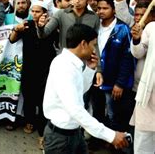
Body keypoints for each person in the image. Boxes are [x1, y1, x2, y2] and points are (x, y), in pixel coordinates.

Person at [43, 24, 129, 153]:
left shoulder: (71, 63)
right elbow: (75, 108)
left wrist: (90, 69)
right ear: (83, 44)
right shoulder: (64, 67)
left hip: (75, 133)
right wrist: (111, 135)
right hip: (60, 139)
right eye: (93, 45)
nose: (94, 49)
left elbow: (78, 90)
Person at [9, 1, 57, 150]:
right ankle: (30, 120)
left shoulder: (52, 26)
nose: (34, 14)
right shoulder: (27, 24)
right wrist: (17, 29)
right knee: (29, 95)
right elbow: (12, 39)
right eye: (33, 11)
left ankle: (43, 131)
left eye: (38, 11)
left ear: (45, 13)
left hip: (46, 67)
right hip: (29, 66)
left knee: (43, 97)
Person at [95, 0, 135, 134]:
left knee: (114, 115)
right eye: (99, 8)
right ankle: (98, 139)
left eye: (105, 8)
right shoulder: (94, 25)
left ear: (114, 10)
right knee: (96, 112)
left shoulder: (122, 29)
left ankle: (115, 143)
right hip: (95, 78)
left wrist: (120, 83)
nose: (101, 11)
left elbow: (127, 58)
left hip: (113, 82)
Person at [130, 12, 155, 153]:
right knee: (144, 141)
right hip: (148, 93)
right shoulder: (152, 27)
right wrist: (137, 38)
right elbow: (138, 52)